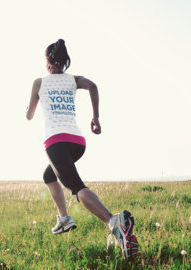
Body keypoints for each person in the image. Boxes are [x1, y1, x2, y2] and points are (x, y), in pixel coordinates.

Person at [26, 39, 139, 261]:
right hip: (77, 142)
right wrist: (95, 117)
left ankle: (113, 222)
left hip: (55, 141)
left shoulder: (39, 83)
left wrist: (29, 110)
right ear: (65, 61)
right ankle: (64, 218)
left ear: (47, 61)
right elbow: (94, 86)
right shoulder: (73, 80)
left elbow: (29, 115)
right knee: (49, 175)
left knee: (76, 188)